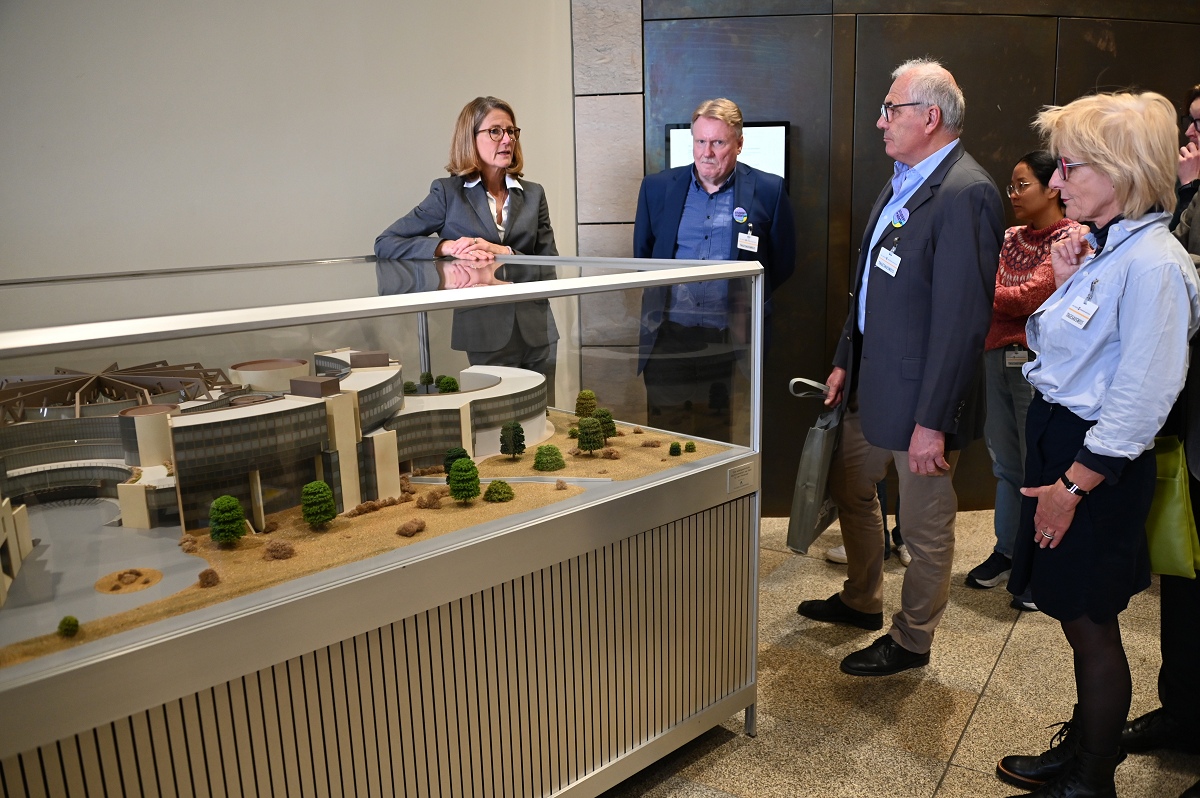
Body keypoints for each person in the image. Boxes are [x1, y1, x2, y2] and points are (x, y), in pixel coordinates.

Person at [994, 91, 1200, 798]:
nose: (1056, 182)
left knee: (1090, 622)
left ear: (1120, 169)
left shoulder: (1156, 264)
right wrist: (1065, 282)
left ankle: (1092, 777)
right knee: (1075, 612)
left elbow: (1142, 397)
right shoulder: (1112, 247)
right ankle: (1084, 749)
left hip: (1095, 462)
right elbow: (1078, 350)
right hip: (1065, 444)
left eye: (1070, 167)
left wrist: (1073, 485)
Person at [796, 59, 1003, 677]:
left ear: (930, 116)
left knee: (923, 524)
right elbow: (868, 286)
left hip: (922, 405)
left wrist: (934, 422)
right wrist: (844, 360)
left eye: (892, 109)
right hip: (870, 383)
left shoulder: (967, 192)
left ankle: (912, 640)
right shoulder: (903, 180)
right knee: (850, 486)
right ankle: (862, 599)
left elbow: (962, 323)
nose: (880, 120)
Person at [1118, 86, 1200, 798]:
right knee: (1184, 583)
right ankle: (1184, 714)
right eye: (1190, 124)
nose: (1190, 139)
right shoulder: (1186, 202)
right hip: (1187, 430)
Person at [633, 98, 796, 441]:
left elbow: (782, 263)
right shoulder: (657, 188)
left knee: (720, 441)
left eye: (718, 142)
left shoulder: (769, 190)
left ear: (739, 143)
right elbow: (644, 256)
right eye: (700, 141)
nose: (706, 152)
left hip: (731, 340)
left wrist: (742, 303)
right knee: (665, 441)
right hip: (668, 339)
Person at [374, 96, 559, 397]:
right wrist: (445, 247)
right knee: (497, 415)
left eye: (511, 131)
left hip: (537, 327)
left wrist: (506, 252)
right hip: (484, 329)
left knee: (544, 412)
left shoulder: (534, 194)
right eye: (495, 131)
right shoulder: (448, 194)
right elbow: (386, 243)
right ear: (469, 138)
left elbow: (551, 264)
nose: (507, 139)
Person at [965, 151, 1079, 608]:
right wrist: (995, 295)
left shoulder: (1072, 237)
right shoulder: (1010, 236)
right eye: (1011, 185)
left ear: (1053, 188)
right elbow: (993, 286)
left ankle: (1037, 566)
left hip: (1038, 362)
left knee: (1038, 466)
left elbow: (1037, 294)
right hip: (995, 354)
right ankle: (1007, 550)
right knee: (1006, 463)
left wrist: (989, 295)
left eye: (1022, 184)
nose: (1012, 194)